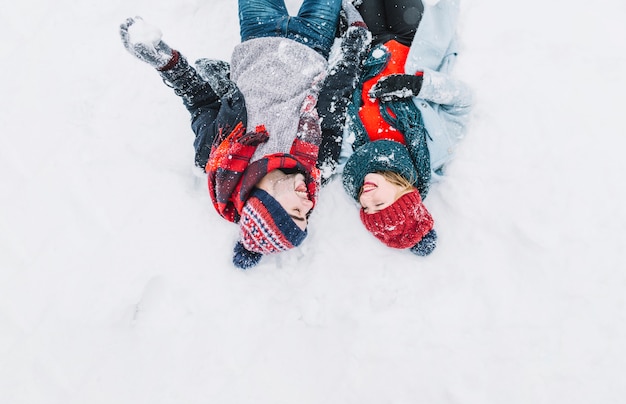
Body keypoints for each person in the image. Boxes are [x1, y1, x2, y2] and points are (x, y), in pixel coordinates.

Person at [119, 0, 370, 269]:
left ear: (266, 204)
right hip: (314, 40)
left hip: (258, 32)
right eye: (307, 214)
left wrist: (169, 65)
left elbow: (201, 103)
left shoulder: (218, 160)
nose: (308, 203)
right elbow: (336, 97)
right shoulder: (318, 164)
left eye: (297, 212)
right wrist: (354, 44)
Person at [336, 0, 473, 256]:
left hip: (368, 46)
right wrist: (417, 86)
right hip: (412, 42)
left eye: (367, 209)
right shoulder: (436, 151)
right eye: (380, 204)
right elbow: (463, 101)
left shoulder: (350, 158)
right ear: (405, 193)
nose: (366, 199)